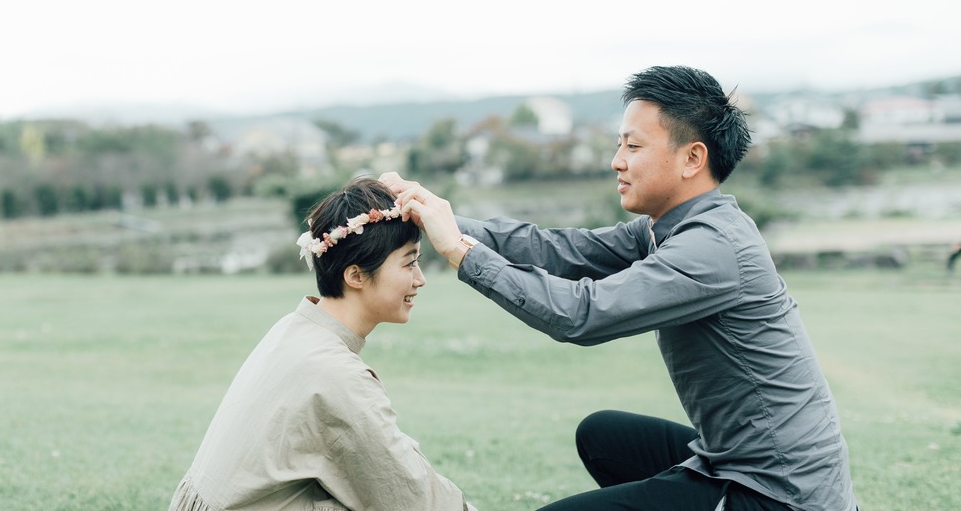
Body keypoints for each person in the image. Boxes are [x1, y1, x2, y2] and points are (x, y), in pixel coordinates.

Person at [382, 65, 857, 511]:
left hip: (781, 493)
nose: (617, 162)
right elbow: (557, 250)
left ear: (692, 158)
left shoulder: (714, 247)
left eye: (633, 147)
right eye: (619, 145)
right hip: (729, 460)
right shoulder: (666, 228)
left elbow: (581, 315)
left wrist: (461, 253)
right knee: (603, 436)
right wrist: (436, 214)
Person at [169, 176, 476, 511]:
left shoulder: (294, 328)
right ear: (356, 275)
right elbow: (410, 496)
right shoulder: (335, 374)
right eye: (409, 262)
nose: (420, 278)